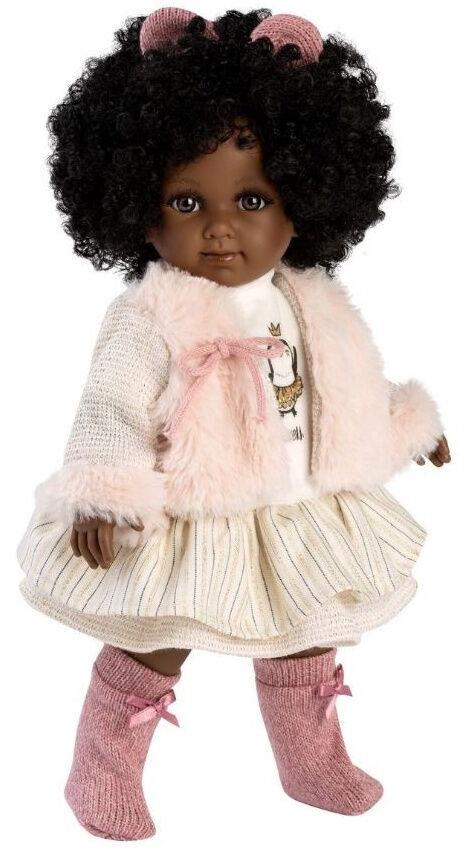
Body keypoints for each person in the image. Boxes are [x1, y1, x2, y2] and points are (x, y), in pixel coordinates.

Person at [16, 7, 451, 841]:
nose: (220, 227)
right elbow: (109, 409)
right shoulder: (151, 315)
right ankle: (99, 768)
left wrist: (405, 423)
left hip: (294, 506)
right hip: (192, 513)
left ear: (305, 202)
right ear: (137, 209)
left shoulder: (309, 298)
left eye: (252, 198)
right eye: (186, 201)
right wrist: (105, 494)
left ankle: (309, 762)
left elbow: (343, 390)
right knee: (154, 643)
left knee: (307, 635)